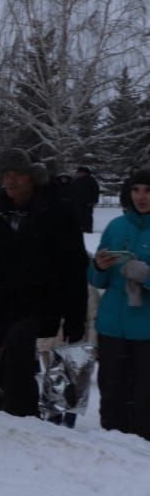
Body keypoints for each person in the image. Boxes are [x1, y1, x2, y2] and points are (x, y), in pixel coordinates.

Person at [0, 148, 88, 419]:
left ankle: (22, 415)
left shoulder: (56, 210)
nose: (11, 181)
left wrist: (75, 319)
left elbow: (73, 266)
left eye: (17, 175)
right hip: (1, 298)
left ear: (31, 177)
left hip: (42, 299)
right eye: (5, 175)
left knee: (19, 349)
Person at [88, 169, 150, 440]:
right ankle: (111, 443)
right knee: (111, 390)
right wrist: (98, 267)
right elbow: (97, 281)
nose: (141, 196)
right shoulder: (115, 227)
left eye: (148, 190)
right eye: (136, 190)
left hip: (146, 329)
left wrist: (145, 276)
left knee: (144, 395)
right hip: (112, 324)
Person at [74, 166, 101, 233]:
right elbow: (73, 191)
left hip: (88, 201)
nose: (80, 174)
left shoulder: (91, 180)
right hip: (78, 202)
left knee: (88, 215)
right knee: (79, 215)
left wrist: (94, 200)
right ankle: (81, 227)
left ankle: (88, 228)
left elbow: (96, 191)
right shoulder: (76, 181)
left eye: (82, 172)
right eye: (79, 173)